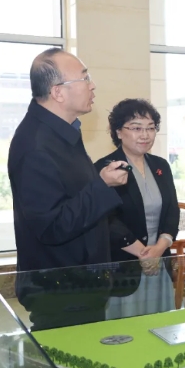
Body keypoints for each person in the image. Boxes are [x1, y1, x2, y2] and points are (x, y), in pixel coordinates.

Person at [8, 48, 128, 330]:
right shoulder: (36, 145)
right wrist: (102, 186)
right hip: (61, 292)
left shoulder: (63, 132)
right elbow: (51, 226)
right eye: (84, 78)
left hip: (81, 285)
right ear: (58, 92)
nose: (92, 85)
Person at [94, 99, 178, 318]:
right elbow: (107, 220)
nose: (145, 135)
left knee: (161, 324)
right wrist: (143, 253)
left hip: (159, 261)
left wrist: (158, 249)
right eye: (136, 128)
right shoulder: (105, 168)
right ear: (118, 132)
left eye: (150, 128)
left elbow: (172, 211)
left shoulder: (161, 165)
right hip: (125, 267)